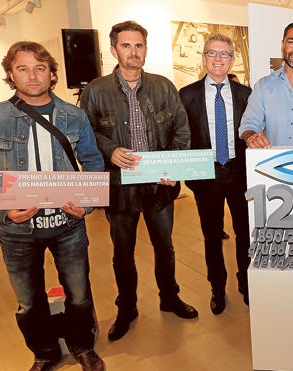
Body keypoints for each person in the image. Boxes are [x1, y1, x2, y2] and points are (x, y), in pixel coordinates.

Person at [0, 41, 105, 371]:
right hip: (16, 230)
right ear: (10, 74)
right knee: (28, 301)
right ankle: (45, 352)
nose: (33, 76)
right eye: (22, 68)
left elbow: (94, 161)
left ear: (52, 73)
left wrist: (87, 204)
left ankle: (82, 346)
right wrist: (1, 209)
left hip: (68, 225)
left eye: (40, 68)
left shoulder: (74, 115)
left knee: (79, 294)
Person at [80, 20, 197, 342]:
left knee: (166, 247)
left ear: (146, 48)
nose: (134, 51)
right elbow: (86, 133)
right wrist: (109, 149)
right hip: (119, 187)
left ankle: (170, 298)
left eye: (139, 45)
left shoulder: (163, 86)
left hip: (159, 185)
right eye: (126, 45)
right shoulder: (95, 90)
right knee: (123, 252)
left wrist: (172, 168)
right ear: (114, 49)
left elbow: (182, 131)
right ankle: (127, 308)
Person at [179, 34, 252, 314]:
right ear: (204, 57)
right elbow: (180, 137)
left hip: (240, 173)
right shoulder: (186, 95)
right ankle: (217, 289)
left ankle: (245, 283)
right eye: (212, 53)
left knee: (244, 233)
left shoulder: (246, 95)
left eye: (224, 54)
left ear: (232, 59)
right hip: (205, 175)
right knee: (211, 235)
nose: (218, 59)